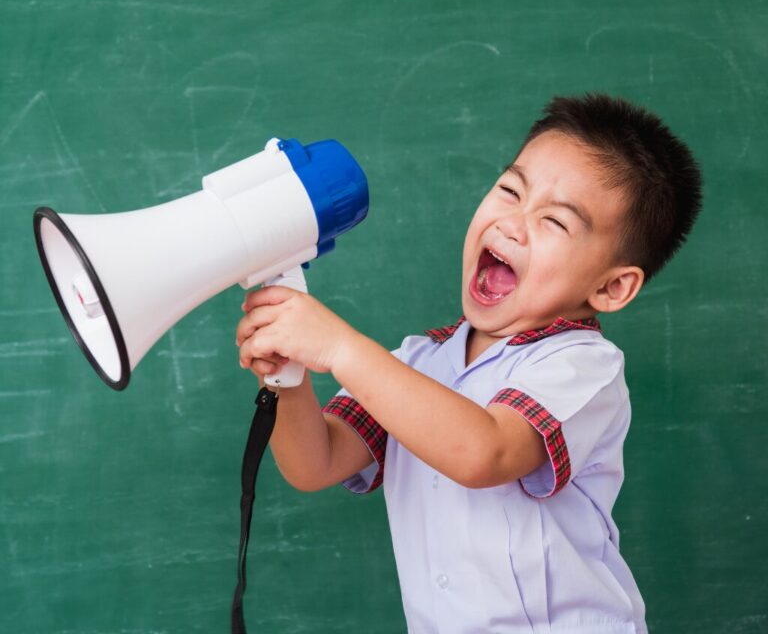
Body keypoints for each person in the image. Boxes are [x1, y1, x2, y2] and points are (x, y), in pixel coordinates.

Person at [235, 93, 703, 634]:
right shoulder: (417, 362)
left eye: (554, 222)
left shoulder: (583, 366)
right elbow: (316, 462)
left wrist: (338, 347)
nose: (513, 224)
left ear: (611, 286)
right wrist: (287, 375)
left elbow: (484, 450)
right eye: (510, 191)